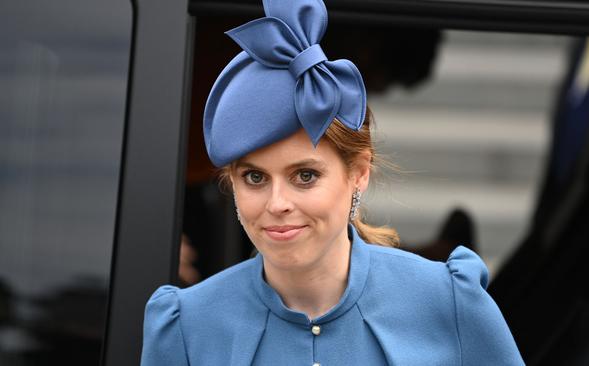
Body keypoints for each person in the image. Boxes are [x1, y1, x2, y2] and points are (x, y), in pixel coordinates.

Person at [140, 0, 524, 364]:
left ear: (359, 173)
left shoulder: (448, 302)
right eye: (254, 177)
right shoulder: (186, 325)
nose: (277, 203)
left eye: (305, 176)